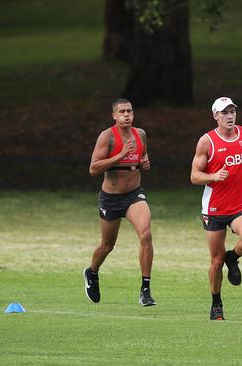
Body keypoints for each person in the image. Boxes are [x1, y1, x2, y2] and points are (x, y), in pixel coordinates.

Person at [190, 97, 242, 320]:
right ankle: (216, 303)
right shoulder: (207, 141)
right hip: (214, 208)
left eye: (232, 111)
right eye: (224, 113)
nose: (230, 116)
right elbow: (194, 176)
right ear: (216, 116)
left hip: (240, 205)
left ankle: (233, 257)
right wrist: (213, 176)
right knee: (215, 260)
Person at [83, 98, 156, 307]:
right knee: (107, 246)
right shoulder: (107, 137)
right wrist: (120, 155)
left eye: (130, 111)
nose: (127, 115)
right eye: (122, 112)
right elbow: (93, 168)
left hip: (134, 194)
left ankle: (145, 289)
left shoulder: (140, 134)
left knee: (146, 234)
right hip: (111, 198)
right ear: (114, 116)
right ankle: (92, 272)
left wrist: (145, 162)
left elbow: (142, 155)